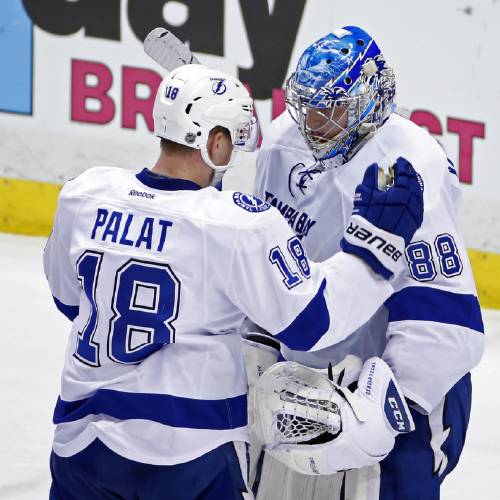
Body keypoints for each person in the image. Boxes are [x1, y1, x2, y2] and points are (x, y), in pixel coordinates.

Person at [44, 62, 424, 499]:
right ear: (215, 141)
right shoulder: (234, 225)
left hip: (80, 446)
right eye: (231, 139)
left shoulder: (85, 193)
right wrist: (375, 248)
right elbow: (312, 321)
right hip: (188, 455)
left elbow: (69, 300)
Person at [253, 26, 484, 500]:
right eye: (309, 105)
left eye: (332, 107)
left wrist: (380, 414)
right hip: (308, 386)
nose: (315, 122)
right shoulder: (282, 141)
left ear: (372, 100)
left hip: (399, 394)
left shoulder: (407, 166)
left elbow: (445, 325)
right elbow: (266, 250)